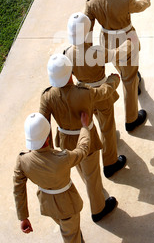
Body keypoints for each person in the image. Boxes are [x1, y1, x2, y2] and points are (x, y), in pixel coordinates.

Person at [13, 111, 95, 243]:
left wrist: (23, 217)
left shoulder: (22, 160)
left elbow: (18, 187)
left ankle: (78, 241)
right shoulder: (62, 157)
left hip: (47, 204)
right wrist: (85, 127)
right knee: (69, 238)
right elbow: (83, 150)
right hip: (67, 204)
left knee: (67, 229)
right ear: (48, 137)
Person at [39, 53, 120, 222]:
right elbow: (103, 92)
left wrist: (50, 151)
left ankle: (93, 190)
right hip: (86, 139)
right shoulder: (83, 92)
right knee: (92, 173)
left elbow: (44, 125)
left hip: (65, 141)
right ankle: (99, 208)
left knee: (82, 171)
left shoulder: (47, 96)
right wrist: (114, 80)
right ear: (70, 74)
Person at [85, 0, 151, 132]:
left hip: (107, 43)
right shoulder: (123, 0)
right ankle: (132, 119)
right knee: (128, 79)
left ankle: (134, 79)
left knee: (122, 68)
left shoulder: (91, 3)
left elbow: (87, 28)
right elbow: (139, 6)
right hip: (127, 42)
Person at [64, 11, 129, 178]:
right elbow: (117, 54)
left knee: (91, 120)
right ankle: (110, 163)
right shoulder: (96, 51)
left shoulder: (66, 53)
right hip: (101, 92)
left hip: (82, 94)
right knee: (107, 126)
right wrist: (128, 44)